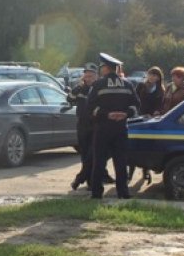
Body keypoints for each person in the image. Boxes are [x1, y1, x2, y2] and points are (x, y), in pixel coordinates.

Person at [87, 53, 140, 199]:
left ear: (105, 68)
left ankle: (97, 194)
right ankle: (123, 193)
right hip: (121, 129)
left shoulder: (98, 85)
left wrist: (106, 114)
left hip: (103, 129)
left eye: (101, 67)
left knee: (99, 162)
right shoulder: (127, 84)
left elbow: (90, 107)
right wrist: (125, 114)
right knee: (121, 162)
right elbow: (136, 106)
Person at [131, 66, 165, 183]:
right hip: (138, 118)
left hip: (150, 120)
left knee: (146, 147)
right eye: (151, 74)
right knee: (133, 146)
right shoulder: (141, 86)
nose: (152, 77)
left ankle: (146, 171)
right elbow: (134, 100)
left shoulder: (160, 90)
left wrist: (156, 112)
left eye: (155, 75)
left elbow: (160, 105)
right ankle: (130, 172)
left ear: (159, 78)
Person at [68, 62, 98, 190]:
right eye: (86, 75)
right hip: (82, 124)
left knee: (92, 154)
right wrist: (75, 90)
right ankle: (88, 180)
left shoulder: (99, 88)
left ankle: (83, 179)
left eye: (91, 76)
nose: (88, 78)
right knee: (84, 154)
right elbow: (69, 99)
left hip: (95, 124)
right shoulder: (80, 88)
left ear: (96, 76)